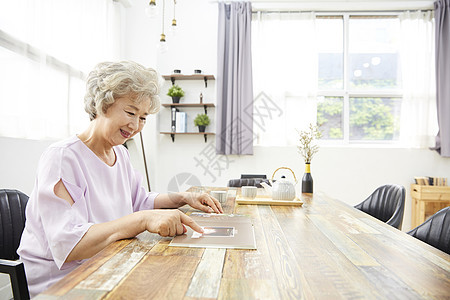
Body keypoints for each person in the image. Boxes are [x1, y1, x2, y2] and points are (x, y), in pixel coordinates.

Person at [17, 61, 223, 297]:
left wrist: (183, 197)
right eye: (130, 112)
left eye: (143, 117)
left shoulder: (120, 154)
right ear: (103, 104)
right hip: (63, 284)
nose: (136, 126)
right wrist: (142, 220)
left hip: (108, 266)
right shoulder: (63, 157)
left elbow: (139, 202)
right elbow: (68, 244)